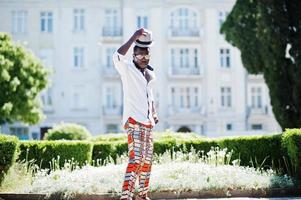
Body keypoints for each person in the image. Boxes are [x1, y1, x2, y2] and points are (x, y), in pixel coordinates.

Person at [112, 28, 159, 200]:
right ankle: (126, 196)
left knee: (147, 163)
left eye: (147, 56)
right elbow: (116, 56)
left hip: (147, 123)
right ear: (133, 55)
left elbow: (149, 95)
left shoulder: (150, 74)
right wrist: (133, 36)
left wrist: (153, 111)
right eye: (140, 55)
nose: (144, 59)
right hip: (133, 121)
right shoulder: (127, 68)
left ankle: (142, 195)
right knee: (136, 159)